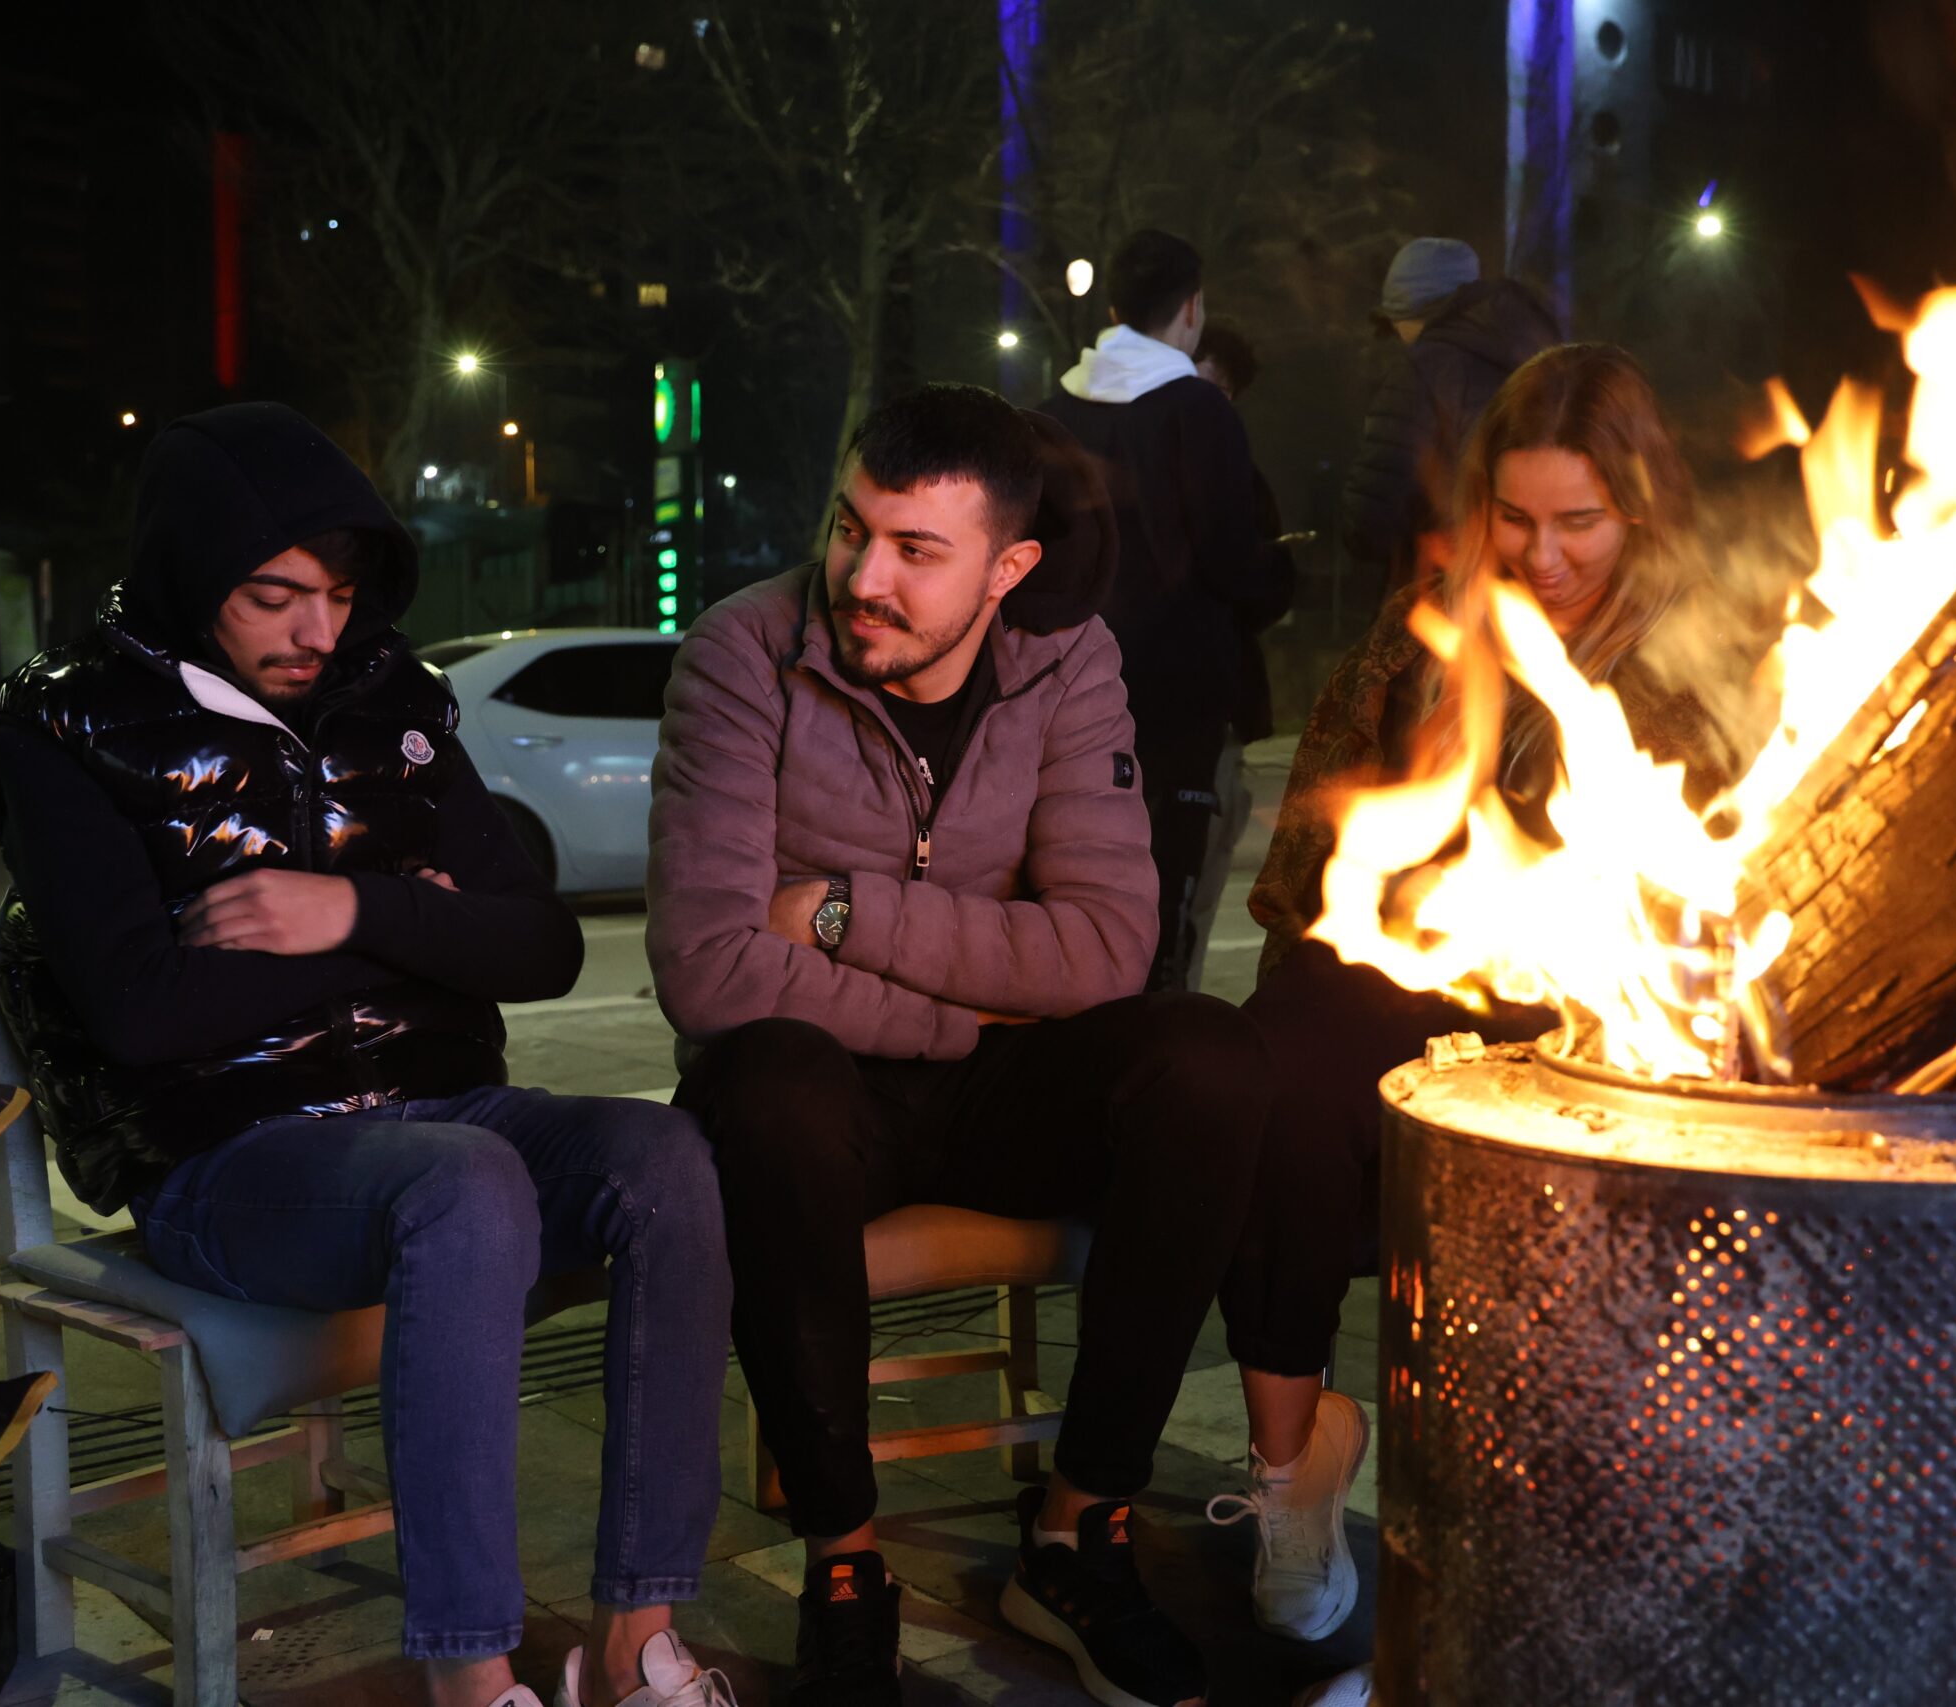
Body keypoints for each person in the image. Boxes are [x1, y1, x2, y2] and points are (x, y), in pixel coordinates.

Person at [0, 403, 734, 1707]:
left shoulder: (394, 701)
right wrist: (419, 928)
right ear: (186, 569)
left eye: (336, 593)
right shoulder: (67, 728)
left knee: (666, 1152)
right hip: (235, 1157)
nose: (317, 632)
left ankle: (638, 1638)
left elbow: (543, 946)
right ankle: (472, 1672)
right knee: (464, 1182)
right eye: (275, 596)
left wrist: (351, 909)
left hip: (447, 1110)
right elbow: (143, 1012)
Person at [650, 383, 1271, 1707]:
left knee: (1208, 1060)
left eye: (915, 551)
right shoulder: (740, 650)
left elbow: (1107, 948)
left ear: (1010, 568)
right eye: (849, 528)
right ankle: (845, 1557)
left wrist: (839, 909)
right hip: (823, 1089)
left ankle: (1078, 1527)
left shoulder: (1072, 658)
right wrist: (970, 1004)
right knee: (765, 1083)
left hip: (999, 1089)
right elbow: (708, 964)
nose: (863, 576)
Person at [1208, 347, 1734, 1706]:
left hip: (1572, 1026)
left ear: (1643, 510)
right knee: (1266, 1083)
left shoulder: (1693, 652)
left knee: (1456, 1140)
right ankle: (1293, 1474)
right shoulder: (1423, 625)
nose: (1544, 555)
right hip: (1382, 993)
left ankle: (1510, 1562)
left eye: (1581, 522)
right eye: (1517, 518)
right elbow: (1305, 868)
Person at [1040, 231, 1292, 992]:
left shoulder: (1053, 413)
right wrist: (1283, 575)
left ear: (1114, 307)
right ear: (1191, 309)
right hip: (1178, 708)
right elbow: (1231, 556)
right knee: (1164, 915)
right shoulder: (1196, 411)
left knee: (1073, 901)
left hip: (1066, 701)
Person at [1340, 237, 1565, 597]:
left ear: (1410, 309)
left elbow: (1374, 512)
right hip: (1535, 582)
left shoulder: (1423, 369)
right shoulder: (1544, 358)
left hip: (1443, 588)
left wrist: (1359, 537)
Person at [1178, 320, 1299, 990]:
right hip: (1139, 712)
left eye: (1214, 392)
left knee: (1194, 896)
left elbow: (1266, 589)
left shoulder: (1241, 481)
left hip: (1211, 711)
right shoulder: (1134, 460)